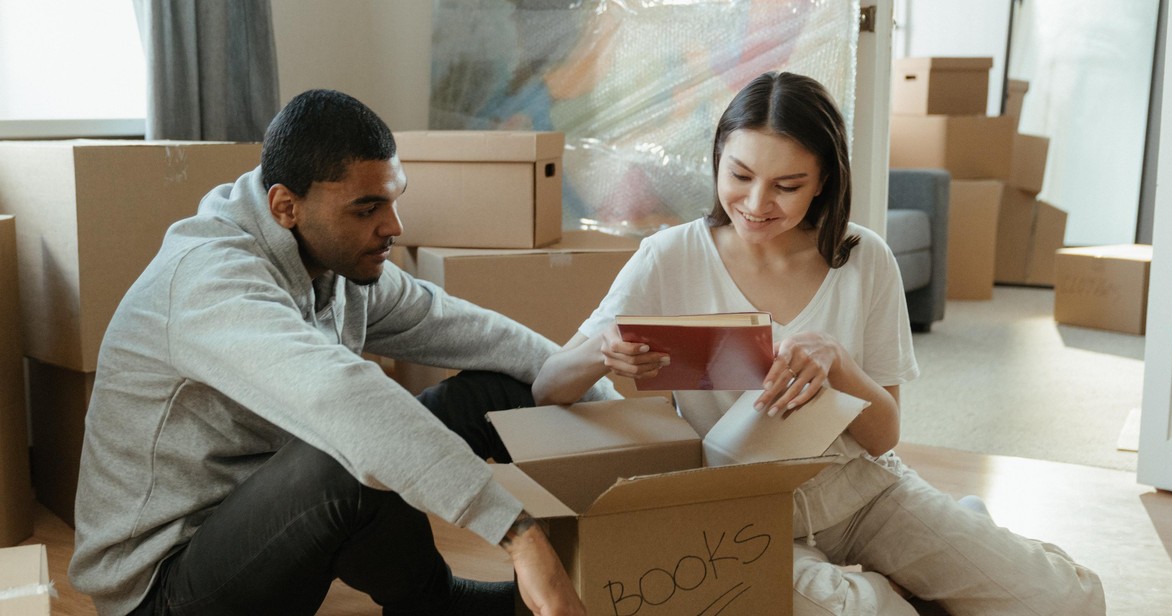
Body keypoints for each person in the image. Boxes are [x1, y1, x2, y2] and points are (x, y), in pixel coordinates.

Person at [532, 71, 1105, 615]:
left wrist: (841, 366)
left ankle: (958, 541)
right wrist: (601, 349)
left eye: (787, 186)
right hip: (744, 513)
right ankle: (916, 582)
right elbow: (547, 387)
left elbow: (883, 437)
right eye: (739, 176)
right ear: (716, 162)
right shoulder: (669, 256)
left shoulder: (865, 258)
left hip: (863, 491)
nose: (757, 204)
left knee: (1068, 604)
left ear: (824, 181)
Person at [68, 89, 612, 616]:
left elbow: (464, 327)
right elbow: (345, 400)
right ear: (285, 205)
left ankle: (450, 599)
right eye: (366, 208)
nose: (392, 227)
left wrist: (611, 403)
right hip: (166, 585)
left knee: (499, 389)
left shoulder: (338, 264)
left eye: (395, 199)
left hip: (260, 516)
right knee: (354, 446)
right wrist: (518, 532)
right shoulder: (210, 281)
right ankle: (435, 600)